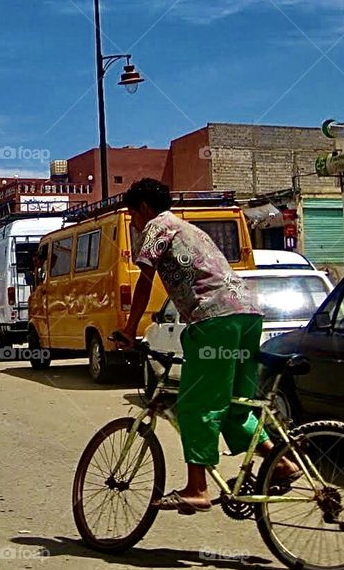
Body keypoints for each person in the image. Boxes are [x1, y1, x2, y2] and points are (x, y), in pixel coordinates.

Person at [117, 179, 299, 514]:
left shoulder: (158, 227)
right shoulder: (190, 229)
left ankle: (196, 488)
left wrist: (130, 330)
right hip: (247, 315)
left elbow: (143, 281)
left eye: (133, 215)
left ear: (143, 208)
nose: (135, 223)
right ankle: (282, 463)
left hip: (214, 319)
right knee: (234, 406)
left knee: (194, 405)